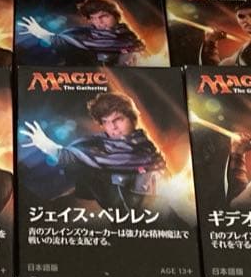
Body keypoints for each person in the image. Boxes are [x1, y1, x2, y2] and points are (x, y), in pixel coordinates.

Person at [20, 90, 165, 211]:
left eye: (118, 119)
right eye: (106, 122)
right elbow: (70, 157)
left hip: (144, 216)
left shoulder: (147, 151)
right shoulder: (97, 145)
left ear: (132, 119)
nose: (113, 127)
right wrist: (46, 145)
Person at [18, 0, 144, 66]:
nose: (99, 22)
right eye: (93, 18)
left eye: (104, 16)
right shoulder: (81, 34)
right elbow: (60, 41)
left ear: (115, 16)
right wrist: (40, 33)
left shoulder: (130, 38)